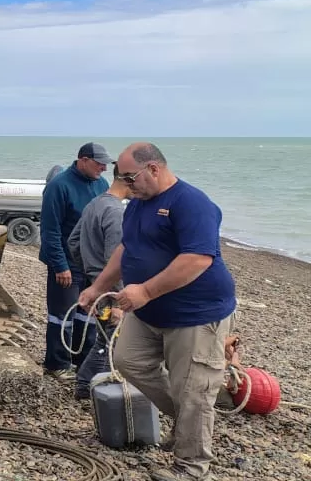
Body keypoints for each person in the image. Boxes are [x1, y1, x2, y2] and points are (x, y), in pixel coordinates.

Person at [79, 142, 236, 481]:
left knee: (193, 389)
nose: (125, 183)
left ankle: (191, 467)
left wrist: (146, 290)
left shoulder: (191, 202)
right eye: (121, 176)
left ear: (154, 169)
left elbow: (198, 259)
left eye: (129, 176)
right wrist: (97, 287)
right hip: (149, 312)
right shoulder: (138, 203)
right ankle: (187, 423)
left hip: (195, 313)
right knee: (127, 359)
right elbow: (126, 247)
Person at [38, 142, 111, 379]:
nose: (103, 167)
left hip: (91, 265)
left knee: (88, 314)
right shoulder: (58, 187)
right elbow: (50, 230)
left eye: (105, 163)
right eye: (99, 163)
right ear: (83, 160)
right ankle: (57, 364)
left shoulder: (102, 185)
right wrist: (60, 265)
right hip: (66, 265)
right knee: (62, 315)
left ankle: (83, 361)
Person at [65, 164, 131, 399]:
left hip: (96, 282)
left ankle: (85, 387)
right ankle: (96, 392)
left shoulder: (94, 204)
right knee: (109, 344)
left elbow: (73, 242)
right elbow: (116, 259)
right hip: (109, 289)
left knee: (103, 341)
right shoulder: (115, 212)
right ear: (127, 180)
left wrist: (89, 274)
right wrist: (116, 298)